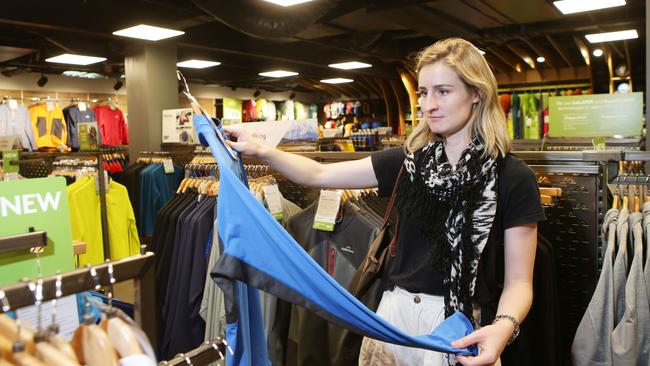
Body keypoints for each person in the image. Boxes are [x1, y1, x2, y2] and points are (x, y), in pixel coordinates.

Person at [223, 37, 544, 366]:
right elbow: (318, 175)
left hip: (462, 329)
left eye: (443, 91)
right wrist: (261, 150)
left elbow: (519, 282)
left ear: (476, 93)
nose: (428, 104)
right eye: (423, 92)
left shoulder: (512, 177)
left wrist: (503, 329)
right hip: (393, 321)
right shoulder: (407, 162)